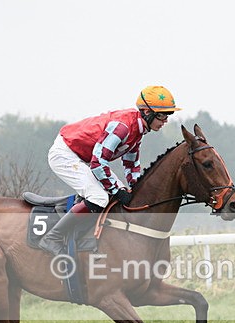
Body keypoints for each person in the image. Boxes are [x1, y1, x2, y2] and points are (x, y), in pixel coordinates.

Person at [38, 85, 181, 256]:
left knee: (119, 194)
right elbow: (98, 162)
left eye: (168, 116)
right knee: (99, 197)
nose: (165, 121)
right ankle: (52, 238)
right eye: (161, 115)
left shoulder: (138, 131)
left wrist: (135, 189)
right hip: (65, 154)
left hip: (85, 157)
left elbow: (131, 166)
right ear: (146, 112)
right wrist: (116, 190)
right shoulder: (123, 127)